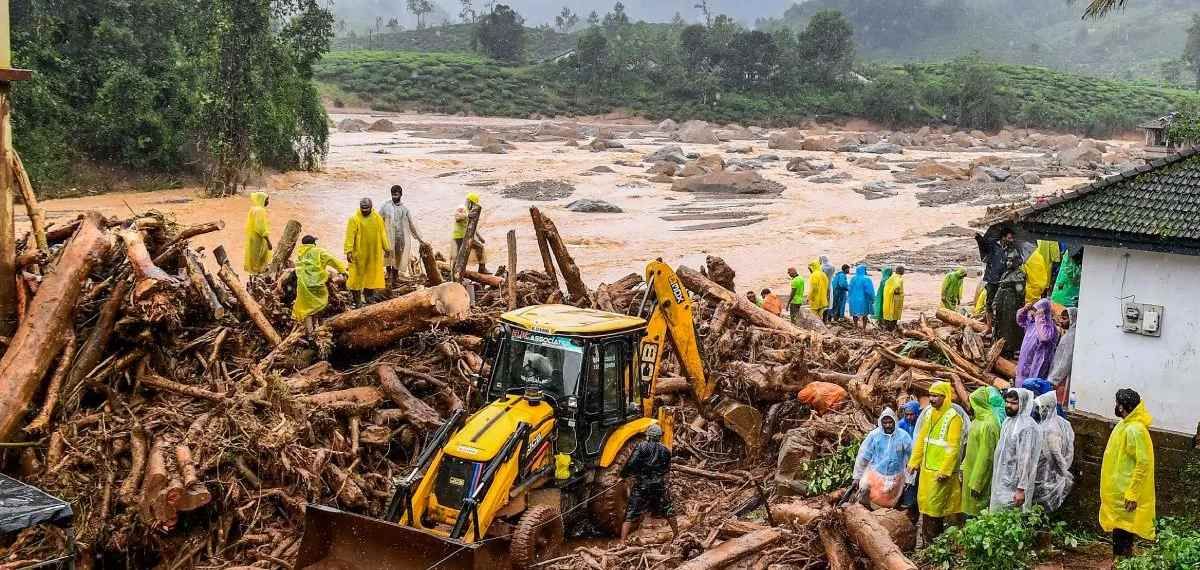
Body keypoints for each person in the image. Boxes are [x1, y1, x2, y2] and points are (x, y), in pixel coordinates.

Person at [1100, 388, 1156, 558]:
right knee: (1120, 530)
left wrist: (1132, 493)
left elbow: (1143, 463)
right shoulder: (1125, 425)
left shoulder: (1135, 430)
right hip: (1118, 493)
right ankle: (1121, 562)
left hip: (1126, 494)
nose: (1115, 407)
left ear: (1123, 407)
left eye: (1117, 404)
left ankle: (1121, 564)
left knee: (1123, 533)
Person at [907, 382, 964, 542]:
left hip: (940, 473)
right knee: (926, 506)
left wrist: (945, 470)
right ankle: (928, 541)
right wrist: (914, 462)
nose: (931, 399)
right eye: (930, 395)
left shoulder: (954, 418)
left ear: (944, 397)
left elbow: (953, 448)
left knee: (936, 507)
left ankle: (935, 542)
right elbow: (921, 440)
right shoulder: (929, 414)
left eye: (935, 396)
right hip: (926, 471)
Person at [620, 423, 679, 541]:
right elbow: (666, 469)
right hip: (659, 486)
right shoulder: (666, 450)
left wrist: (624, 475)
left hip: (642, 485)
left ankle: (622, 542)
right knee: (668, 509)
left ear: (648, 436)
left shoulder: (641, 447)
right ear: (659, 437)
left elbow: (631, 464)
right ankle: (677, 535)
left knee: (631, 513)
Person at [990, 388, 1041, 512]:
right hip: (1003, 478)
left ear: (1022, 404)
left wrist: (1021, 488)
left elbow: (1025, 459)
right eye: (1007, 402)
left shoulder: (1027, 427)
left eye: (1013, 403)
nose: (1008, 406)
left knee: (1012, 519)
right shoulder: (1008, 421)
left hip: (1015, 483)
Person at [850, 408, 913, 508]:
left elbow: (912, 458)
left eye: (890, 422)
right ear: (881, 423)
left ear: (894, 422)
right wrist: (857, 476)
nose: (888, 425)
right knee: (864, 490)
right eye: (885, 422)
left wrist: (910, 479)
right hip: (875, 473)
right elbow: (863, 456)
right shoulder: (874, 436)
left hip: (895, 477)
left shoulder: (903, 437)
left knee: (887, 504)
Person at [291, 236, 348, 331]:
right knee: (318, 304)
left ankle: (310, 332)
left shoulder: (300, 253)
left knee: (306, 308)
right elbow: (333, 260)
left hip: (303, 284)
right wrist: (343, 271)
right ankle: (314, 329)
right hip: (316, 284)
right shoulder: (318, 251)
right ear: (313, 243)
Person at [961, 387, 1001, 517]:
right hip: (970, 474)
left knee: (977, 516)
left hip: (978, 481)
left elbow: (986, 457)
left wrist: (977, 483)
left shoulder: (989, 424)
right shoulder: (977, 420)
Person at [344, 197, 391, 306]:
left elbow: (383, 233)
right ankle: (357, 302)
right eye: (362, 208)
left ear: (371, 207)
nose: (364, 210)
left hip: (373, 253)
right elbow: (349, 236)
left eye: (366, 208)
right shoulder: (354, 219)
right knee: (356, 278)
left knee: (371, 277)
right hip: (359, 254)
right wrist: (348, 251)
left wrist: (386, 248)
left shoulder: (377, 218)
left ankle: (368, 298)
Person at [1032, 392, 1074, 513]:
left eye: (1042, 407)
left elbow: (1055, 453)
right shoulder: (1060, 422)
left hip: (1047, 473)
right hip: (1049, 472)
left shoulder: (1050, 428)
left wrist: (1063, 472)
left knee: (1043, 507)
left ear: (1048, 408)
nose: (1039, 410)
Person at [378, 184, 425, 283]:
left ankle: (395, 277)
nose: (395, 197)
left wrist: (420, 239)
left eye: (396, 194)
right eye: (393, 195)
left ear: (401, 194)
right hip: (388, 237)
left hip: (400, 238)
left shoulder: (404, 209)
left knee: (398, 258)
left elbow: (412, 225)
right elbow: (378, 220)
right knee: (387, 257)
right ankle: (389, 274)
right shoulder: (385, 207)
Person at [1016, 299, 1059, 383]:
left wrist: (1040, 317)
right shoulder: (1032, 322)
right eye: (1034, 309)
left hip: (1037, 363)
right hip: (1025, 361)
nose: (1034, 312)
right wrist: (1025, 309)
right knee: (1021, 383)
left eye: (1037, 310)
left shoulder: (1050, 326)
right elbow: (1020, 320)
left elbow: (1044, 337)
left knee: (1032, 385)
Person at [1048, 308, 1078, 407]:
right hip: (1059, 376)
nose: (1061, 321)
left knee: (1059, 405)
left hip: (1061, 378)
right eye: (1061, 318)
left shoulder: (1071, 337)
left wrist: (1054, 379)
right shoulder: (1069, 333)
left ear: (1072, 319)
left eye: (1065, 318)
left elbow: (1066, 360)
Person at [453, 193, 489, 274]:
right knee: (460, 256)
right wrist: (468, 215)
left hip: (466, 237)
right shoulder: (462, 208)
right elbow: (457, 217)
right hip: (459, 237)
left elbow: (472, 226)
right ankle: (456, 273)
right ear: (470, 202)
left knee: (479, 248)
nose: (474, 206)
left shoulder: (470, 211)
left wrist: (480, 237)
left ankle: (481, 269)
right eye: (473, 204)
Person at [243, 191, 272, 274]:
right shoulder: (260, 211)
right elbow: (261, 228)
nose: (268, 202)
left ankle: (253, 277)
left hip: (252, 237)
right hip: (258, 239)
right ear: (261, 200)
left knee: (253, 258)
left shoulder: (253, 209)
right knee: (259, 259)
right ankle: (258, 277)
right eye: (266, 200)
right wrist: (268, 241)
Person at [848, 264, 875, 329]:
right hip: (863, 299)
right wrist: (872, 298)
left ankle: (855, 326)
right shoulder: (867, 279)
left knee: (855, 314)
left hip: (853, 299)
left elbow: (849, 288)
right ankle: (864, 328)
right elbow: (869, 291)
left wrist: (849, 298)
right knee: (865, 314)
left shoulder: (853, 278)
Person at [881, 266, 906, 331]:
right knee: (895, 313)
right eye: (903, 270)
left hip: (888, 297)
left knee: (888, 312)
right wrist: (897, 292)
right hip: (895, 298)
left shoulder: (891, 277)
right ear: (901, 271)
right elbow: (897, 285)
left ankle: (887, 328)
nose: (904, 271)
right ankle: (892, 329)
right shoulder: (899, 278)